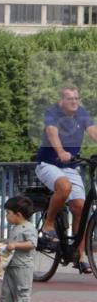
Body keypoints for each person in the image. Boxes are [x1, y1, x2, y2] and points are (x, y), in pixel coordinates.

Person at [35, 84, 97, 273]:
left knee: (81, 207)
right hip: (48, 164)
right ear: (61, 101)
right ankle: (49, 224)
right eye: (70, 99)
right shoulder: (53, 113)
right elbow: (51, 132)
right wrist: (60, 151)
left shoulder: (81, 113)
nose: (74, 102)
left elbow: (93, 130)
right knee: (64, 186)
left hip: (71, 166)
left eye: (76, 98)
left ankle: (79, 256)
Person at [0, 196, 37, 302]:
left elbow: (32, 244)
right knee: (6, 291)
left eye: (8, 213)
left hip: (23, 266)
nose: (6, 216)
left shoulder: (29, 228)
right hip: (10, 265)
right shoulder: (15, 227)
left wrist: (15, 245)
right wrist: (3, 244)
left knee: (23, 290)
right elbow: (12, 243)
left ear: (18, 214)